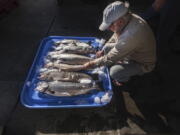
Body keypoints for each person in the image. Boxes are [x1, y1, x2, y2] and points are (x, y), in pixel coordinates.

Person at [81, 1, 157, 121]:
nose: (110, 28)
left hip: (142, 64)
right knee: (106, 47)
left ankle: (124, 82)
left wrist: (90, 64)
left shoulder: (131, 35)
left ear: (120, 21)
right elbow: (116, 35)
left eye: (110, 25)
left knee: (114, 72)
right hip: (132, 50)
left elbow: (110, 58)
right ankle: (123, 65)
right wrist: (105, 47)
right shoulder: (129, 18)